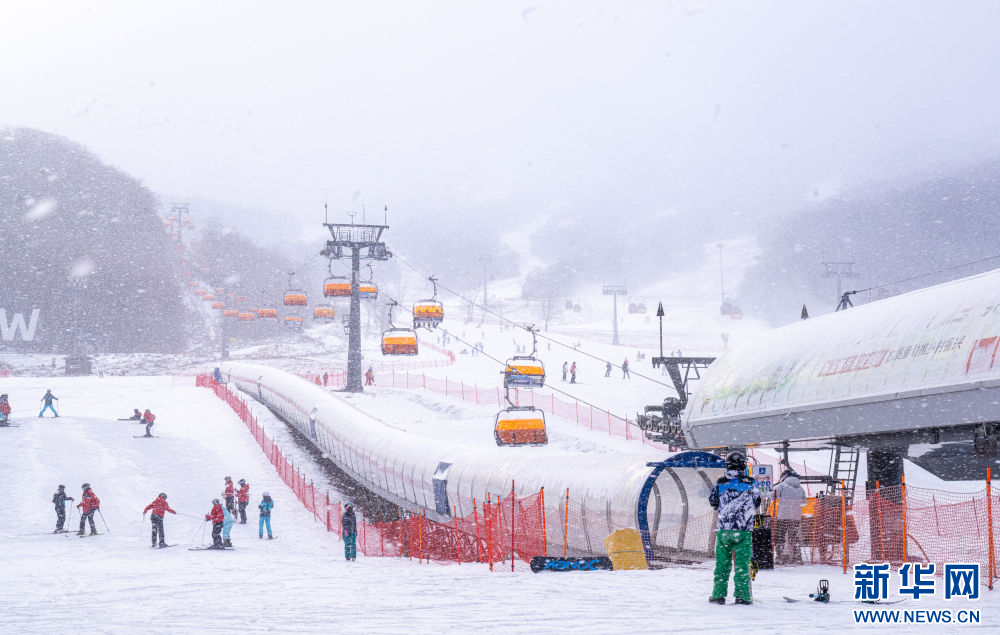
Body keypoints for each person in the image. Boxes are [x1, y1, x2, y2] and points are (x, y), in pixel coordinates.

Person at [708, 451, 761, 605]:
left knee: (722, 565)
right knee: (742, 565)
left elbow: (713, 502)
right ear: (743, 465)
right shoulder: (751, 482)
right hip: (744, 529)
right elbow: (756, 502)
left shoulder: (720, 482)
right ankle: (742, 596)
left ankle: (718, 595)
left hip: (724, 529)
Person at [772, 470, 807, 565]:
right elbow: (805, 503)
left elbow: (772, 496)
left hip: (783, 516)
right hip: (796, 517)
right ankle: (797, 557)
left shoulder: (781, 486)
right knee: (794, 537)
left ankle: (780, 557)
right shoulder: (801, 488)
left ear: (784, 477)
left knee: (780, 536)